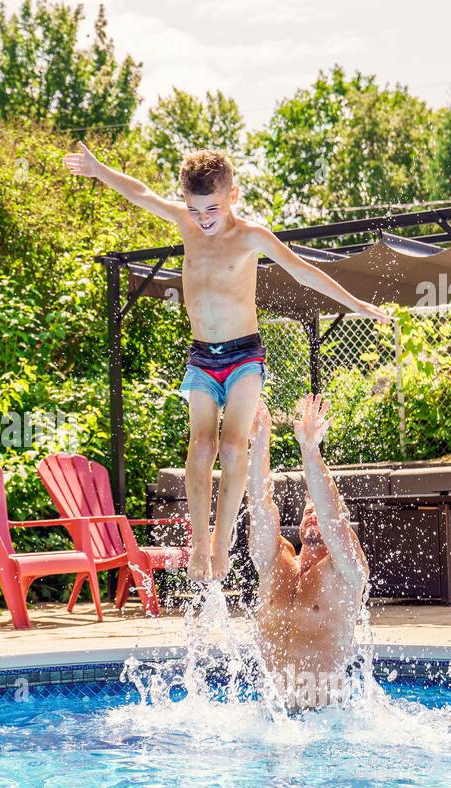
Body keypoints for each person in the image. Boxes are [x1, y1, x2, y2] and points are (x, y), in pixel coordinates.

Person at [63, 143, 388, 581]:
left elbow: (304, 271)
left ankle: (220, 544)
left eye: (211, 208)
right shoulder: (185, 223)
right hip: (201, 355)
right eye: (196, 210)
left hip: (243, 355)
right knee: (201, 447)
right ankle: (199, 544)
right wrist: (99, 169)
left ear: (232, 195)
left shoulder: (251, 235)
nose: (203, 219)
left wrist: (355, 304)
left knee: (234, 447)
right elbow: (140, 193)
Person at [246, 394, 369, 710]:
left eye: (319, 509)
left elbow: (333, 518)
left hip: (323, 723)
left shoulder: (347, 573)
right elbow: (261, 507)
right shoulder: (275, 561)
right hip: (270, 720)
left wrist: (310, 451)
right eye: (306, 511)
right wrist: (260, 443)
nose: (313, 514)